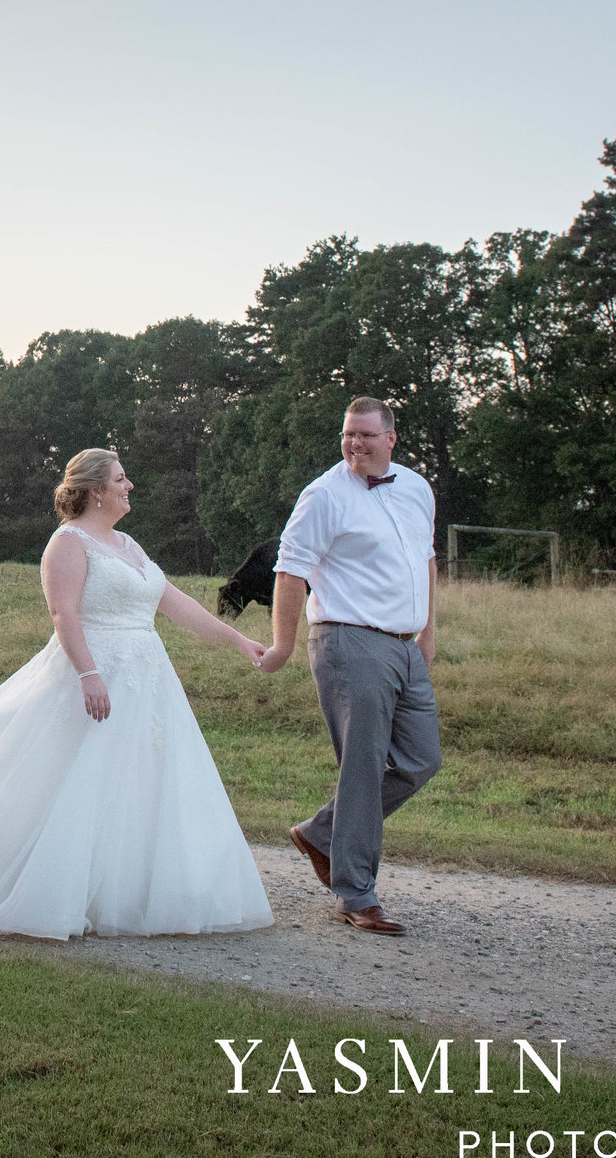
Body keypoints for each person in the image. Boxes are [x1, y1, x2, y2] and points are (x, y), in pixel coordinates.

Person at [0, 447, 275, 939]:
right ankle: (46, 887)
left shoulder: (129, 545)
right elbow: (64, 614)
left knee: (141, 783)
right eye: (122, 479)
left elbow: (173, 603)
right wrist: (89, 674)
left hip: (147, 678)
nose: (130, 487)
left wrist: (237, 640)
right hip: (92, 671)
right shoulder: (68, 543)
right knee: (78, 782)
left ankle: (134, 892)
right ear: (96, 490)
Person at [252, 395, 441, 935]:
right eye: (347, 435)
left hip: (405, 645)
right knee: (362, 768)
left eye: (365, 434)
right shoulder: (324, 496)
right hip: (349, 641)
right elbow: (289, 572)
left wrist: (428, 629)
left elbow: (426, 558)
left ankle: (322, 832)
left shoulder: (416, 488)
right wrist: (283, 646)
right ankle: (356, 893)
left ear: (391, 438)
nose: (354, 443)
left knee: (421, 760)